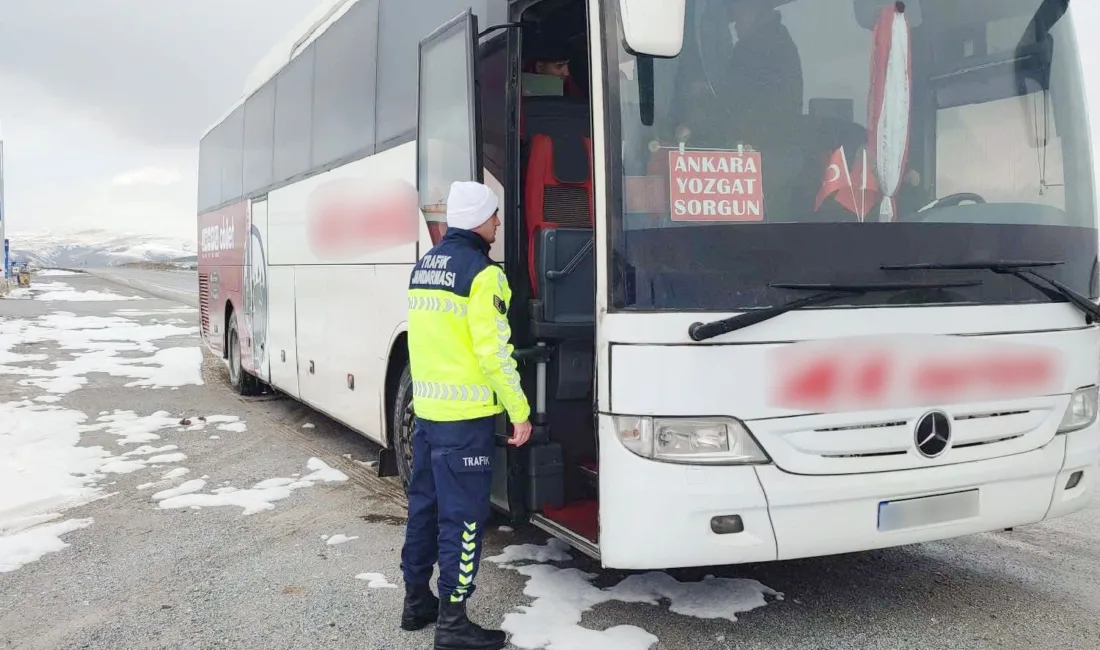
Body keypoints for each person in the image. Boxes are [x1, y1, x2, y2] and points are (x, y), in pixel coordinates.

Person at [399, 180, 533, 650]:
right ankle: (454, 624)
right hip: (465, 419)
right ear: (479, 219)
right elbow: (495, 352)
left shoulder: (425, 267)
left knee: (425, 507)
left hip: (429, 413)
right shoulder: (483, 274)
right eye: (495, 216)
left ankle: (417, 601)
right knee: (464, 518)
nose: (498, 224)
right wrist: (520, 411)